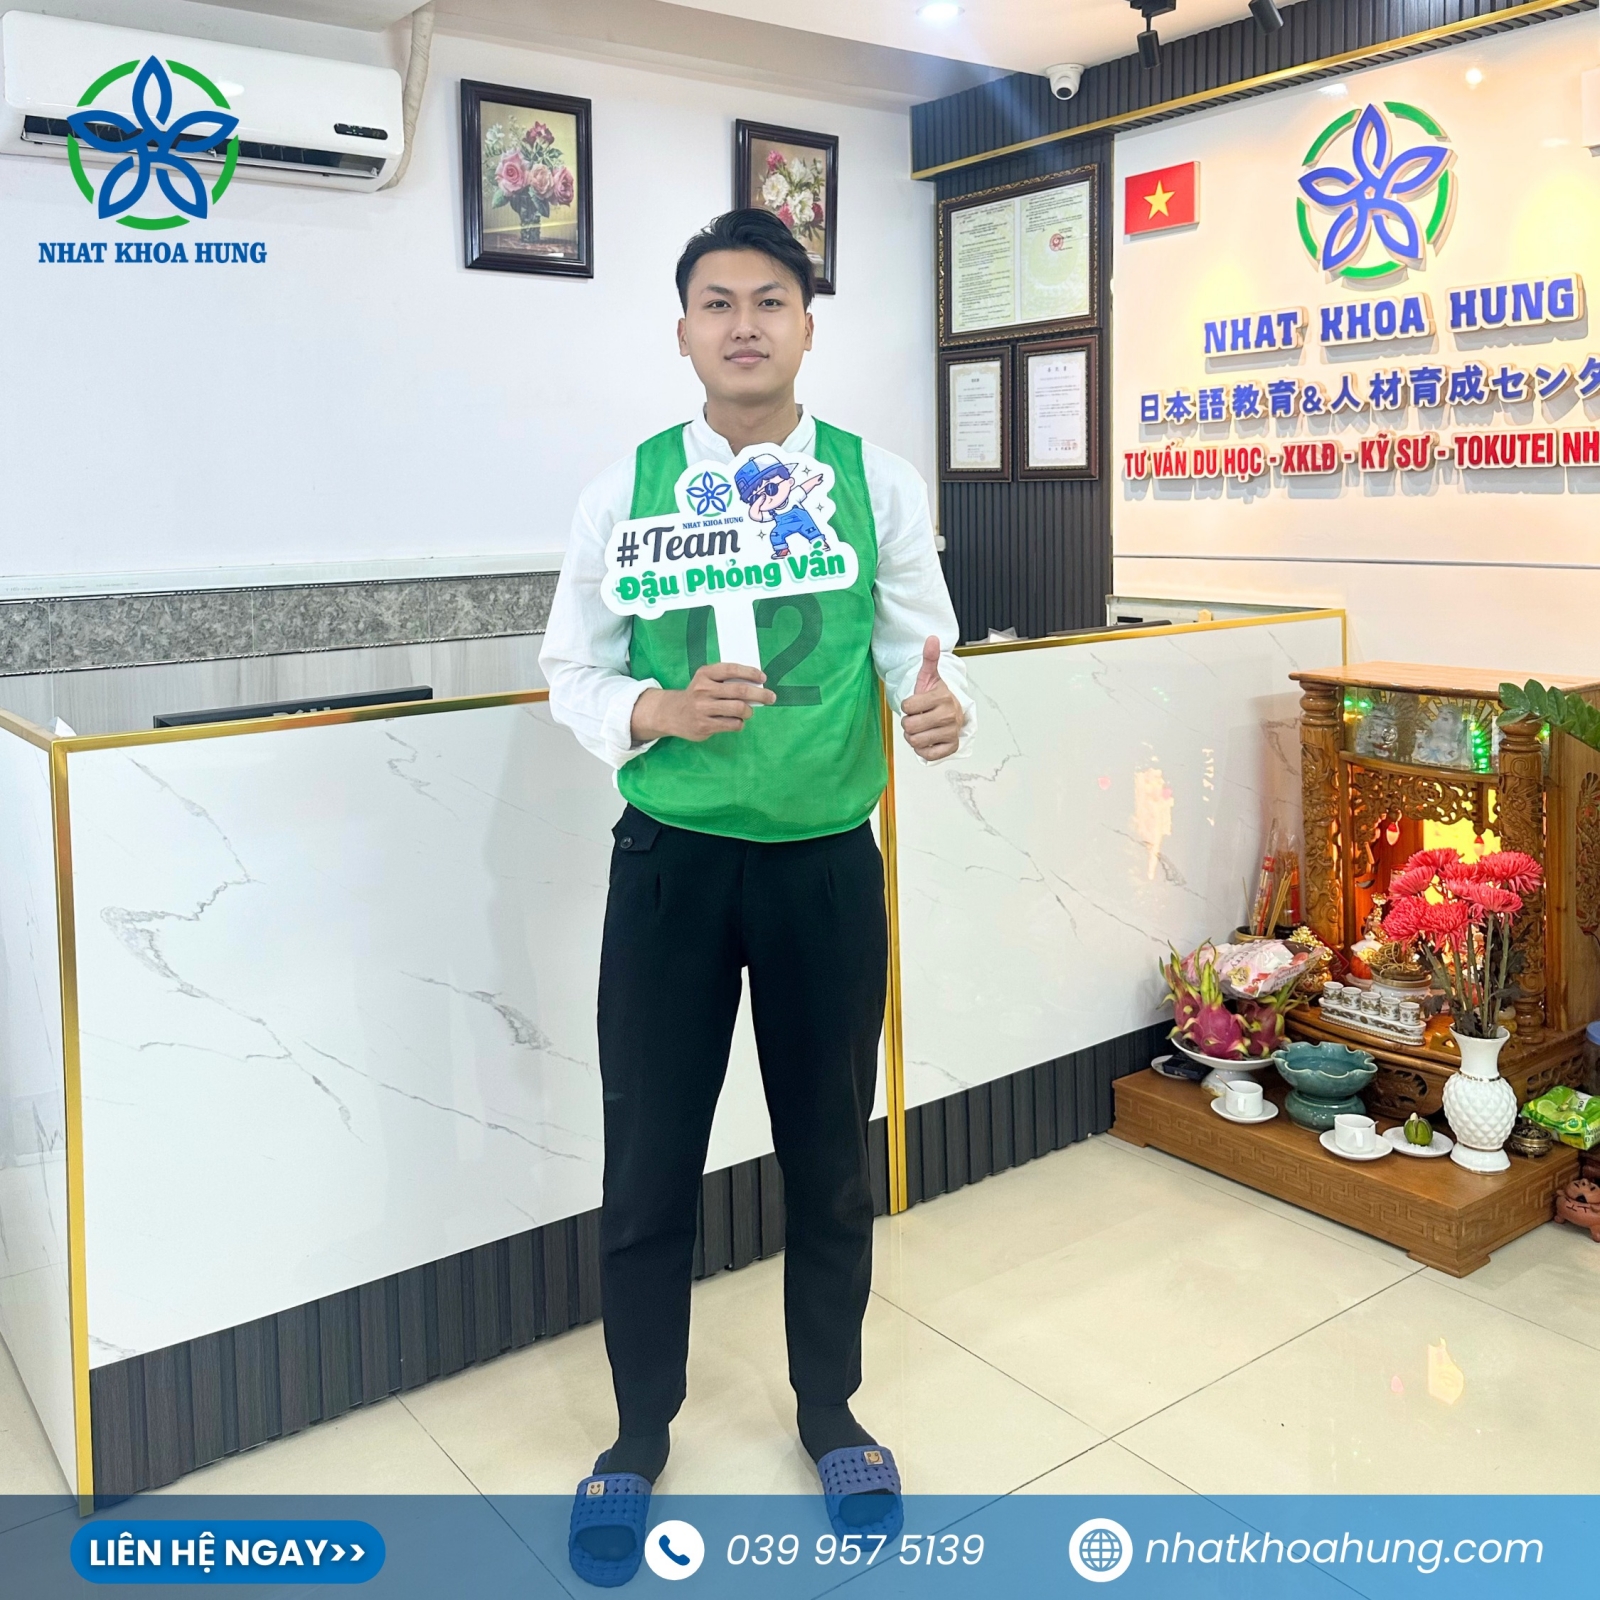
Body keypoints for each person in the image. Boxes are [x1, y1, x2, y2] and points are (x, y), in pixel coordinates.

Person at [540, 207, 973, 1587]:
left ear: (805, 325)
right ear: (682, 332)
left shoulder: (874, 483)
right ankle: (635, 1433)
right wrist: (654, 707)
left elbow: (921, 642)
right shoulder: (627, 491)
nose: (743, 324)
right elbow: (570, 668)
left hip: (825, 865)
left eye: (769, 300)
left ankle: (831, 1411)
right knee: (648, 1158)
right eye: (717, 302)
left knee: (831, 1157)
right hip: (670, 863)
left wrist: (941, 703)